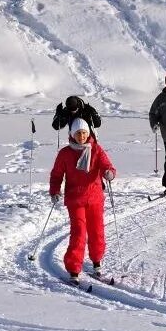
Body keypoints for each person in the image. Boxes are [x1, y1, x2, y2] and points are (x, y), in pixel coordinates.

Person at [49, 118, 117, 283]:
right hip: (75, 199)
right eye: (78, 133)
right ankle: (73, 269)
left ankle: (96, 261)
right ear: (72, 134)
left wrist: (109, 172)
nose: (82, 136)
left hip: (94, 198)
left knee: (97, 231)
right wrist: (55, 191)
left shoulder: (96, 149)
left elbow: (107, 165)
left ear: (89, 133)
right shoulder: (65, 153)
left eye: (84, 133)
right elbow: (56, 175)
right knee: (79, 232)